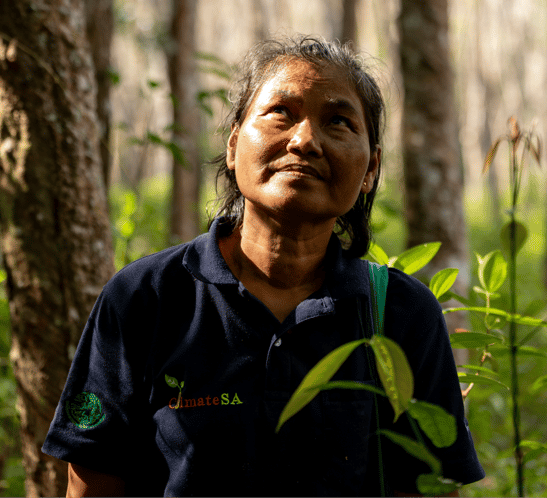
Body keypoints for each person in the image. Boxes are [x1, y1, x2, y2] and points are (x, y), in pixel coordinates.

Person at [42, 36, 484, 497]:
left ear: (370, 169)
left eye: (338, 122)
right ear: (234, 146)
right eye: (281, 113)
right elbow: (93, 483)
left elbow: (430, 487)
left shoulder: (402, 315)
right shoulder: (147, 297)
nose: (305, 140)